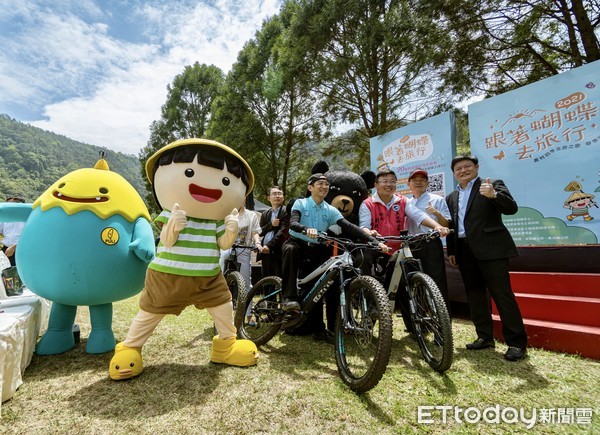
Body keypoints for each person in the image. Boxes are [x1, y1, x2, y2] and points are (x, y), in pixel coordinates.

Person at [282, 173, 388, 343]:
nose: (324, 187)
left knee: (321, 286)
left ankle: (322, 329)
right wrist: (305, 229)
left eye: (326, 184)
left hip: (318, 249)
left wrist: (375, 242)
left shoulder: (330, 209)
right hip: (298, 243)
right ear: (310, 187)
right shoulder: (300, 203)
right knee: (290, 250)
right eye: (320, 184)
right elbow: (293, 223)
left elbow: (349, 227)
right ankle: (289, 297)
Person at [445, 155, 527, 361]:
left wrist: (493, 196)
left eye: (467, 166)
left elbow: (511, 208)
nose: (463, 171)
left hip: (492, 250)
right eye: (458, 169)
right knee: (474, 295)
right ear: (454, 173)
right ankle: (484, 337)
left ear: (476, 167)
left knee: (502, 295)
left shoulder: (491, 185)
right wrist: (452, 251)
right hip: (464, 251)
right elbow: (454, 226)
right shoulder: (452, 196)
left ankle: (516, 343)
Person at [358, 169, 449, 333]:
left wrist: (437, 226)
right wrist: (370, 233)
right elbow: (364, 225)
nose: (389, 184)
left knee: (405, 287)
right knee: (369, 273)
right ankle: (368, 318)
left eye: (392, 181)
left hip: (397, 249)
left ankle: (415, 329)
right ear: (376, 185)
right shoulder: (368, 203)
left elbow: (418, 215)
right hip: (376, 247)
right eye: (385, 181)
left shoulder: (403, 201)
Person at [406, 169, 451, 308]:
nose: (418, 182)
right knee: (414, 281)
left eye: (422, 179)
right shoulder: (406, 203)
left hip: (430, 243)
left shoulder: (437, 199)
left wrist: (437, 213)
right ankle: (422, 321)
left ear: (427, 183)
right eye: (415, 180)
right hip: (411, 245)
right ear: (409, 184)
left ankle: (442, 321)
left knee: (437, 281)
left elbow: (446, 225)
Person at [258, 186, 286, 277]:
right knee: (265, 280)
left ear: (283, 197)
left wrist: (269, 246)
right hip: (265, 253)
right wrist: (271, 225)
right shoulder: (265, 214)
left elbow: (283, 232)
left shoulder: (286, 211)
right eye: (274, 194)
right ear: (269, 198)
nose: (277, 196)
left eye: (279, 194)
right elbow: (260, 231)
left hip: (279, 252)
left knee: (279, 280)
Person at [0, 195, 27, 267]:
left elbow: (30, 236)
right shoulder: (6, 218)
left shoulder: (27, 218)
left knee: (19, 274)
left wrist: (14, 247)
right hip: (6, 250)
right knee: (5, 274)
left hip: (22, 250)